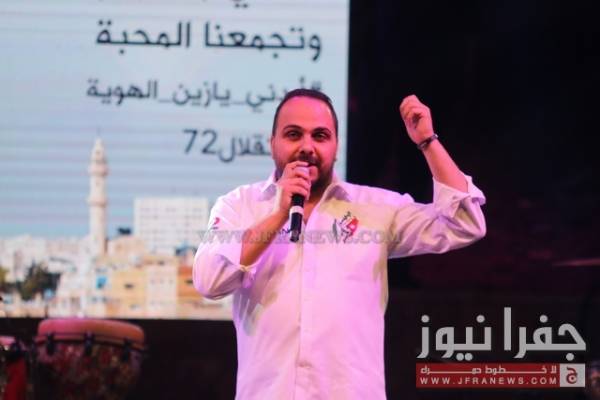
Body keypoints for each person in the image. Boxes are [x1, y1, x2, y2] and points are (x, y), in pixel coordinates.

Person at [193, 89, 486, 399]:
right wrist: (278, 215)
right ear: (272, 143)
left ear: (336, 146)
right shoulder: (239, 206)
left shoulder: (376, 209)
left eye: (320, 136)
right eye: (293, 134)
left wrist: (428, 142)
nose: (307, 147)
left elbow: (464, 224)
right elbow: (209, 281)